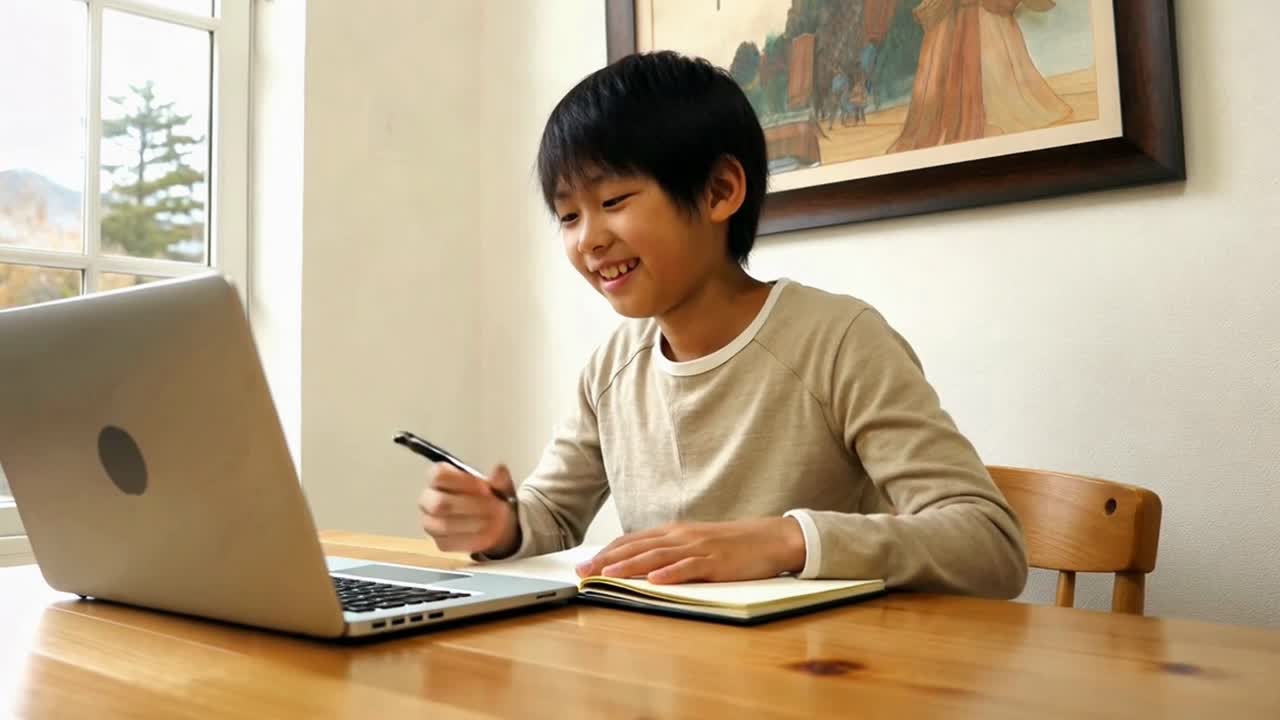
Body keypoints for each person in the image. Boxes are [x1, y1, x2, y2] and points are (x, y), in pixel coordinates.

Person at [417, 51, 1027, 598]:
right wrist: (501, 527)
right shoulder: (611, 370)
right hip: (664, 666)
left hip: (820, 668)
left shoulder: (840, 340)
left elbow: (988, 544)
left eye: (613, 202)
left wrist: (785, 541)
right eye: (568, 216)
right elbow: (550, 515)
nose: (589, 240)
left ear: (719, 191)